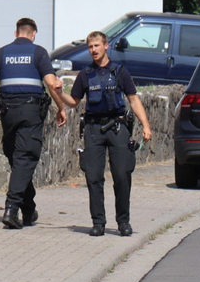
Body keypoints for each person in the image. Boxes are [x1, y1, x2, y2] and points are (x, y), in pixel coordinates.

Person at [51, 30, 152, 237]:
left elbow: (133, 100)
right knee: (94, 177)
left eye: (96, 46)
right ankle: (98, 222)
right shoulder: (85, 74)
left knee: (122, 175)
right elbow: (73, 102)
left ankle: (123, 222)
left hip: (118, 128)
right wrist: (60, 93)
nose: (93, 50)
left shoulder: (120, 72)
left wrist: (145, 125)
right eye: (90, 47)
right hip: (94, 129)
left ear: (106, 46)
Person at [0, 18, 67, 229]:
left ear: (16, 33)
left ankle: (28, 209)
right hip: (31, 111)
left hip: (8, 112)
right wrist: (61, 108)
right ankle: (11, 209)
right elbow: (52, 84)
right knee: (25, 158)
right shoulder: (38, 52)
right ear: (34, 34)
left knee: (18, 160)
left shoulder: (1, 53)